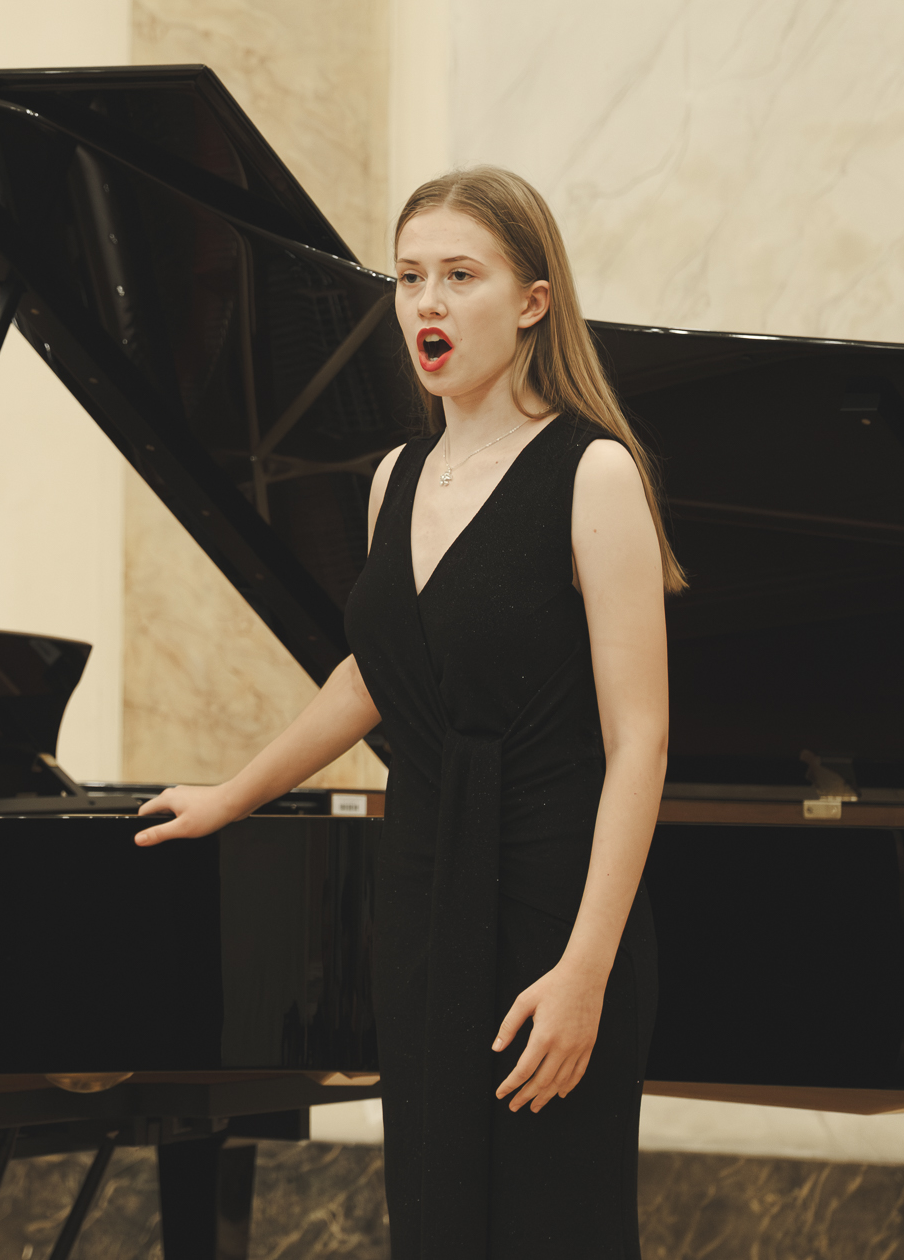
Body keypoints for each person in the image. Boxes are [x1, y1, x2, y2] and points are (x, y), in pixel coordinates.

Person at [137, 167, 680, 1258]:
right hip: (425, 890)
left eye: (460, 276)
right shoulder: (396, 475)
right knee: (432, 1222)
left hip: (551, 906)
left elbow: (640, 741)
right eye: (409, 277)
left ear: (531, 303)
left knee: (550, 1226)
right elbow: (376, 673)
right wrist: (233, 795)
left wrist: (586, 970)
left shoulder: (593, 473)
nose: (427, 302)